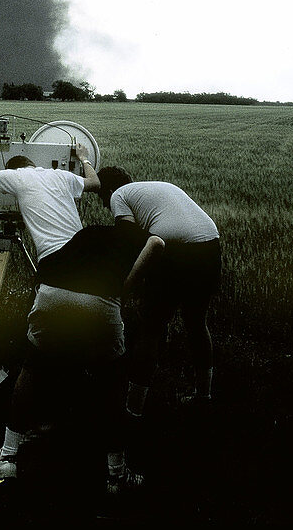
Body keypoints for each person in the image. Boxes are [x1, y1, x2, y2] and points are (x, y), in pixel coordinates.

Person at [0, 138, 162, 493]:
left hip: (55, 277)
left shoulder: (17, 178)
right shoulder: (61, 178)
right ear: (35, 163)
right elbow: (93, 184)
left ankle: (7, 458)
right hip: (93, 276)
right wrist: (84, 158)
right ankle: (116, 474)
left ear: (15, 169)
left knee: (34, 366)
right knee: (109, 383)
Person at [96, 167, 221, 418]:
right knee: (197, 323)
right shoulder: (155, 187)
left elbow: (128, 241)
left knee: (151, 328)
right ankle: (203, 396)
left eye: (102, 199)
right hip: (210, 244)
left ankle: (133, 409)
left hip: (173, 250)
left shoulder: (118, 195)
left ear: (107, 190)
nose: (105, 206)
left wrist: (123, 286)